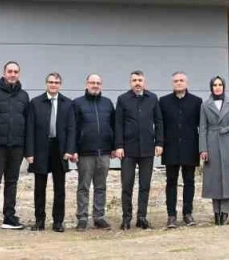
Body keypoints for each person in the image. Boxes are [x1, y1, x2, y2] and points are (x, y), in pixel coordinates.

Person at [24, 72, 77, 232]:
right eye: (51, 82)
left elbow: (72, 129)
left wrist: (69, 150)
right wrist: (29, 152)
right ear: (46, 83)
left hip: (60, 150)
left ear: (60, 85)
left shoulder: (68, 103)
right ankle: (39, 220)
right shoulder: (35, 103)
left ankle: (58, 221)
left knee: (59, 188)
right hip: (40, 149)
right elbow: (30, 129)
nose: (54, 85)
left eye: (56, 82)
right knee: (40, 188)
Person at [114, 70, 164, 229]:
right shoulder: (122, 99)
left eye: (140, 80)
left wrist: (159, 143)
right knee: (127, 185)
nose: (137, 83)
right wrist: (119, 146)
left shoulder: (152, 98)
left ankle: (142, 217)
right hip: (128, 150)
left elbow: (159, 122)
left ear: (144, 82)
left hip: (147, 149)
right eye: (134, 80)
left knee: (145, 185)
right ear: (130, 82)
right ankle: (126, 218)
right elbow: (118, 124)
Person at [0, 61, 29, 230]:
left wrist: (27, 148)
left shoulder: (24, 96)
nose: (12, 74)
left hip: (17, 146)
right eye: (9, 71)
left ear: (19, 74)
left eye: (15, 72)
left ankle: (9, 217)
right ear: (4, 73)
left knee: (12, 181)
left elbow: (27, 122)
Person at [72, 73, 116, 231]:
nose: (95, 85)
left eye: (98, 83)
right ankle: (82, 217)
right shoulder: (77, 103)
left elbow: (114, 126)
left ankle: (99, 217)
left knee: (101, 186)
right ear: (86, 84)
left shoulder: (107, 103)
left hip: (104, 152)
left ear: (101, 85)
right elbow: (73, 128)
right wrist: (73, 150)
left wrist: (114, 147)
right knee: (83, 186)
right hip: (85, 153)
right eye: (92, 82)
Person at [199, 75, 229, 226]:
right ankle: (216, 211)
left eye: (220, 85)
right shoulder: (205, 105)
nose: (217, 87)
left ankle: (225, 211)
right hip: (212, 142)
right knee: (214, 178)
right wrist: (203, 149)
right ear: (211, 87)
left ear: (224, 87)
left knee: (228, 178)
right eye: (215, 85)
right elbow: (202, 128)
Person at [160, 71, 202, 228]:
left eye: (181, 80)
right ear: (172, 83)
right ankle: (171, 215)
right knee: (171, 181)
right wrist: (160, 143)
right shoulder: (163, 101)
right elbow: (160, 125)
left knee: (189, 181)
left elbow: (202, 126)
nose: (178, 83)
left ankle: (187, 213)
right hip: (170, 147)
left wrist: (202, 147)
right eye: (176, 81)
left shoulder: (196, 102)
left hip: (190, 147)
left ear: (186, 83)